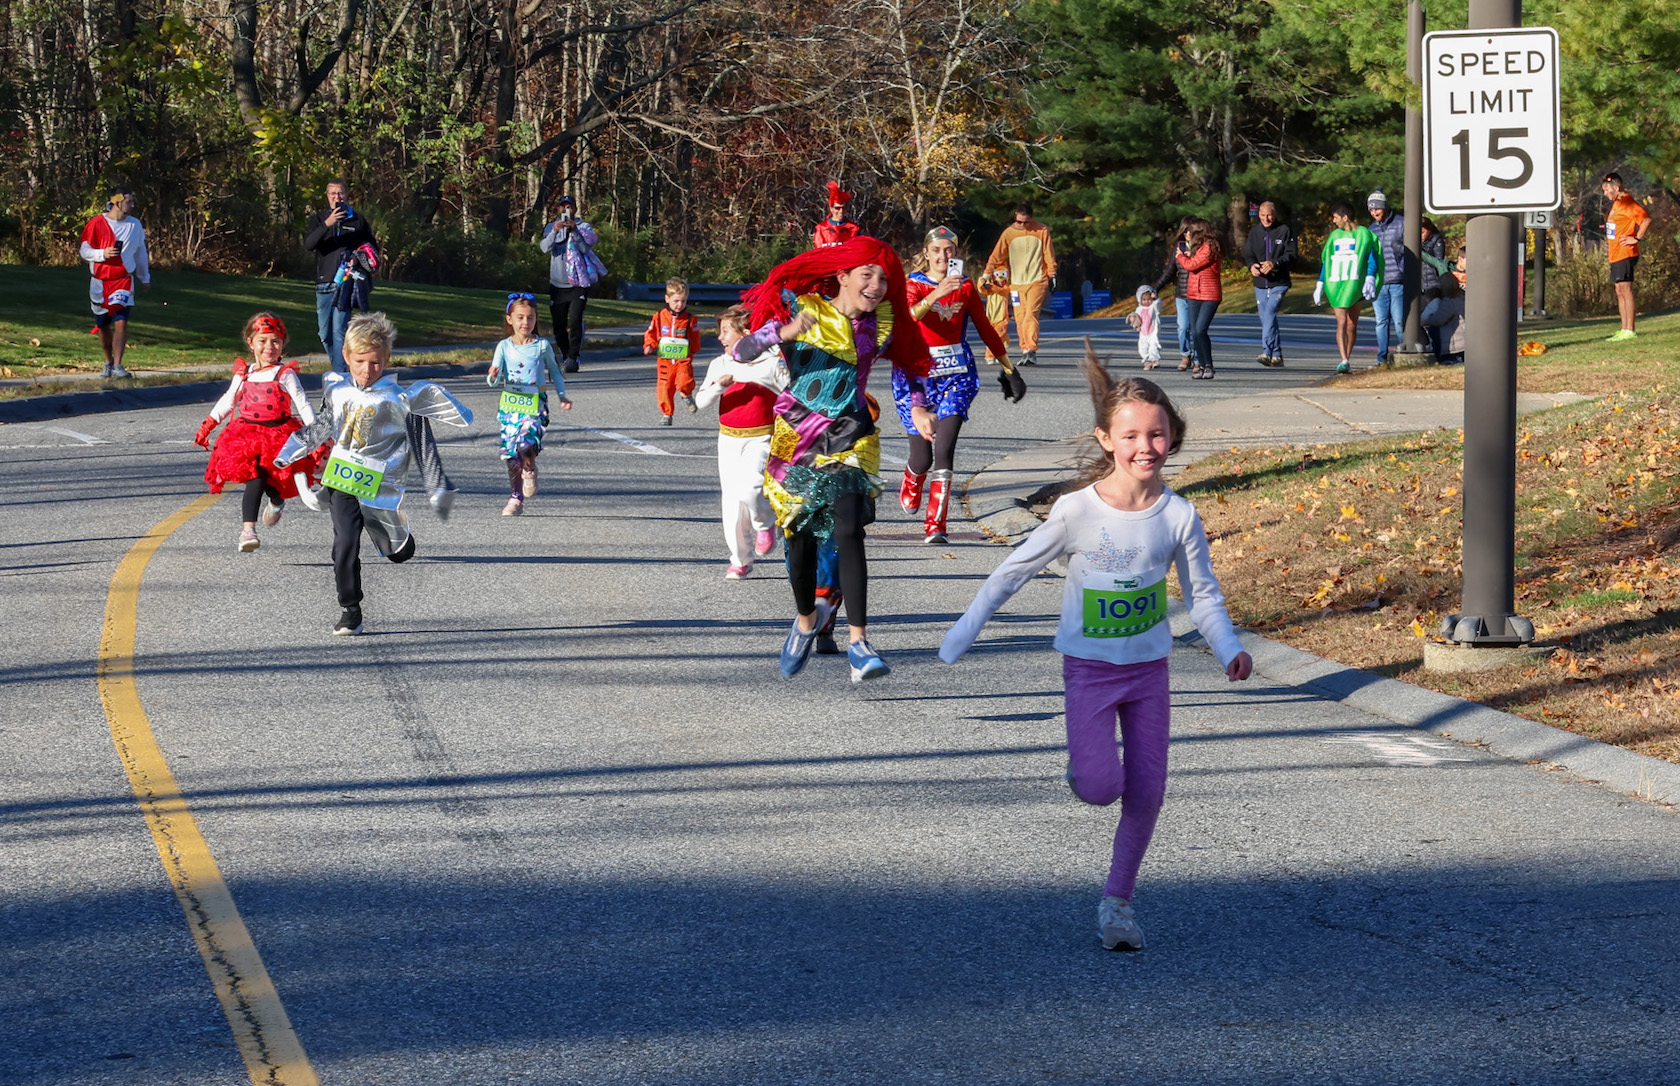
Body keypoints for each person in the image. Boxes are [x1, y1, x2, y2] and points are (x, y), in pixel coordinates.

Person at [939, 345, 1251, 951]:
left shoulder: (1179, 516)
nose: (1145, 447)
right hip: (1089, 671)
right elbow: (1014, 569)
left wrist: (1228, 647)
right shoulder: (1076, 510)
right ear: (1106, 439)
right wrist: (965, 629)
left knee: (1149, 790)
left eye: (1156, 435)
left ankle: (1118, 904)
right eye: (1131, 435)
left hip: (1149, 673)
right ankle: (1084, 766)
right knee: (1101, 785)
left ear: (1173, 439)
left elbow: (1203, 594)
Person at [728, 236, 932, 682]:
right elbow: (738, 353)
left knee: (848, 527)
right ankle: (805, 621)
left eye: (883, 278)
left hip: (850, 434)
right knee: (798, 542)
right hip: (796, 437)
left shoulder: (882, 322)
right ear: (842, 276)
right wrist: (780, 334)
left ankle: (859, 642)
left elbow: (910, 365)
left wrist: (916, 407)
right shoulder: (803, 308)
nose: (877, 286)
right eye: (867, 276)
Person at [276, 312, 472, 636]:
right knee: (345, 542)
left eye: (376, 363)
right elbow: (323, 425)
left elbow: (423, 446)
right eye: (360, 362)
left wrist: (437, 487)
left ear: (387, 359)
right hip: (342, 479)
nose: (368, 371)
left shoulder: (400, 399)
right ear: (346, 357)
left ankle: (402, 542)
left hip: (380, 484)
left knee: (396, 552)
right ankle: (350, 609)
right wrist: (289, 451)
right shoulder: (337, 390)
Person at [899, 226, 1027, 544]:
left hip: (957, 375)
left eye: (949, 250)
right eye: (937, 250)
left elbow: (984, 328)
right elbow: (908, 318)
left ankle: (936, 525)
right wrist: (936, 293)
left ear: (955, 253)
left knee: (944, 448)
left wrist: (1009, 370)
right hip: (917, 377)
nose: (943, 256)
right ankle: (913, 477)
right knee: (923, 459)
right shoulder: (912, 285)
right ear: (926, 253)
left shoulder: (966, 287)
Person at [193, 313, 323, 552]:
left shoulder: (285, 373)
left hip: (279, 434)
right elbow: (229, 400)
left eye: (275, 341)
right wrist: (209, 424)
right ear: (250, 343)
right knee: (256, 477)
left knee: (275, 480)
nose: (269, 347)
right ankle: (248, 530)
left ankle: (276, 501)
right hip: (247, 436)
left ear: (283, 345)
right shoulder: (245, 373)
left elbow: (302, 403)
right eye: (262, 341)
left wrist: (316, 436)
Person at [695, 305, 785, 578]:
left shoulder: (772, 362)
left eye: (726, 331)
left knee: (752, 487)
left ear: (747, 333)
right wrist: (719, 386)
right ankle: (740, 559)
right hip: (728, 440)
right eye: (719, 332)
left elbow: (793, 398)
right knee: (732, 502)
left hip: (761, 438)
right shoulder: (719, 364)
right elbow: (700, 402)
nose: (720, 338)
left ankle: (764, 522)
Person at [488, 293, 572, 516]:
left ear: (536, 320)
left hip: (535, 405)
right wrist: (493, 375)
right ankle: (515, 499)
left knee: (526, 445)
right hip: (510, 407)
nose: (526, 323)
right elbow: (494, 378)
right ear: (510, 320)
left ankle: (530, 468)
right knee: (510, 453)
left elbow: (555, 371)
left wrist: (562, 396)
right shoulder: (503, 347)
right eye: (520, 318)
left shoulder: (541, 346)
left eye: (531, 318)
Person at [302, 178, 380, 374]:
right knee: (325, 334)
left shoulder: (358, 220)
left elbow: (371, 248)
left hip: (346, 282)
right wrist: (328, 224)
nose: (337, 197)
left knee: (339, 331)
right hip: (323, 282)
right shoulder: (319, 219)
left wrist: (357, 256)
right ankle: (343, 365)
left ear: (346, 195)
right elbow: (309, 244)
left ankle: (339, 375)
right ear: (327, 197)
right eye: (333, 194)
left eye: (340, 193)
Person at [78, 187, 151, 379]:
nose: (133, 205)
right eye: (129, 201)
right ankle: (108, 362)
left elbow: (140, 252)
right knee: (103, 325)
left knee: (121, 321)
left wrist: (145, 277)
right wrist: (102, 254)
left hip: (123, 281)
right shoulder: (96, 223)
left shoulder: (134, 225)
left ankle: (118, 365)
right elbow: (84, 250)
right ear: (118, 203)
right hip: (100, 282)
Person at [983, 203, 1057, 366]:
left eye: (1026, 222)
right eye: (1019, 222)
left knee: (1031, 314)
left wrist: (1052, 274)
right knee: (1020, 318)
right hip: (1016, 284)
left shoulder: (1041, 230)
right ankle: (1024, 349)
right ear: (1015, 217)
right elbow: (996, 256)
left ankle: (1031, 350)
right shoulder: (1009, 233)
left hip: (1037, 280)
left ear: (1032, 218)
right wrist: (986, 274)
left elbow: (1048, 254)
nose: (1022, 225)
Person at [540, 195, 606, 372]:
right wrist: (554, 231)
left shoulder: (584, 227)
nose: (565, 210)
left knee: (575, 320)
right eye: (562, 207)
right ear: (558, 210)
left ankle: (574, 357)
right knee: (559, 323)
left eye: (569, 207)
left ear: (575, 209)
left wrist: (575, 230)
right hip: (557, 284)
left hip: (578, 283)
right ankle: (565, 353)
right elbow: (544, 248)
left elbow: (586, 249)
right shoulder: (550, 227)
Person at [1313, 203, 1381, 374]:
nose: (1334, 221)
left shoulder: (1364, 234)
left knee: (1352, 325)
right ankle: (1343, 359)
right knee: (1341, 322)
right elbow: (1327, 260)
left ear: (1345, 217)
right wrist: (1320, 283)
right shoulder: (1334, 236)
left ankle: (1348, 356)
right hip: (1337, 285)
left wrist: (1371, 277)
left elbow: (1371, 257)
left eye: (1336, 217)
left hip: (1355, 285)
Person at [642, 277, 702, 426]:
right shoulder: (659, 317)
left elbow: (695, 337)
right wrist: (649, 345)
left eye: (683, 301)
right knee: (665, 387)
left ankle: (686, 395)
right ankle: (666, 413)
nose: (679, 305)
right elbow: (651, 332)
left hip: (683, 359)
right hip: (665, 361)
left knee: (684, 381)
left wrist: (694, 349)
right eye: (676, 301)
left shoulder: (690, 319)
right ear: (667, 299)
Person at [1241, 201, 1294, 367]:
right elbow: (1248, 254)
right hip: (1260, 283)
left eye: (1269, 215)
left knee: (1270, 314)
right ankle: (1277, 355)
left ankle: (1266, 352)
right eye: (1263, 215)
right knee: (1265, 319)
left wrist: (1274, 263)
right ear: (1259, 215)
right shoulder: (1255, 233)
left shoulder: (1284, 230)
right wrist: (1252, 266)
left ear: (1275, 214)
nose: (1266, 218)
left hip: (1279, 282)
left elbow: (1292, 254)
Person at [1601, 172, 1652, 341]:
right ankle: (1624, 328)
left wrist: (1636, 238)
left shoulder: (1627, 202)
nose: (1605, 194)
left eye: (1607, 190)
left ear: (1617, 187)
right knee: (1619, 289)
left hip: (1625, 253)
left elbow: (1645, 219)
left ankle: (1630, 330)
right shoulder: (1617, 203)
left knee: (1626, 289)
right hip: (1615, 254)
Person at [1174, 219, 1222, 379]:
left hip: (1209, 294)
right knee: (1194, 332)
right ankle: (1201, 365)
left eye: (1191, 232)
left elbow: (1192, 265)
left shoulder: (1210, 246)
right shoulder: (1198, 248)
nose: (1187, 234)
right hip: (1194, 293)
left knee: (1201, 329)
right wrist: (1187, 255)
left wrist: (1181, 257)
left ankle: (1208, 365)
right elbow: (1193, 261)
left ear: (1199, 232)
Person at [1365, 189, 1408, 366]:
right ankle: (1382, 358)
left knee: (1399, 321)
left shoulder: (1401, 223)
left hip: (1398, 280)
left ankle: (1404, 353)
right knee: (1381, 321)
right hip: (1379, 282)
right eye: (1371, 210)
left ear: (1385, 207)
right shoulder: (1371, 229)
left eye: (1377, 209)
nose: (1374, 213)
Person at [1152, 217, 1199, 371]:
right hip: (1182, 294)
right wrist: (1156, 288)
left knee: (1197, 328)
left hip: (1198, 294)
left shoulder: (1202, 247)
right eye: (1185, 230)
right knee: (1183, 327)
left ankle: (1198, 358)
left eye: (1191, 230)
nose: (1188, 234)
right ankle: (1185, 355)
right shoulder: (1179, 247)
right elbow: (1170, 271)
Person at [813, 181, 861, 248]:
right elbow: (818, 250)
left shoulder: (853, 229)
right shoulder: (821, 229)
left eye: (843, 208)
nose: (841, 211)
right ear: (831, 208)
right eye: (837, 208)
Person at [1126, 286, 1162, 369]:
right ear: (1140, 300)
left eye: (1149, 299)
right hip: (1143, 332)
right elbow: (1136, 318)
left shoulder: (1154, 307)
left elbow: (1158, 304)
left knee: (1154, 345)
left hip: (1153, 332)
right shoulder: (1139, 309)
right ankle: (1146, 360)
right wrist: (1133, 319)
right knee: (1142, 347)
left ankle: (1154, 360)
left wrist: (1155, 299)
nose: (1147, 302)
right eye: (1144, 300)